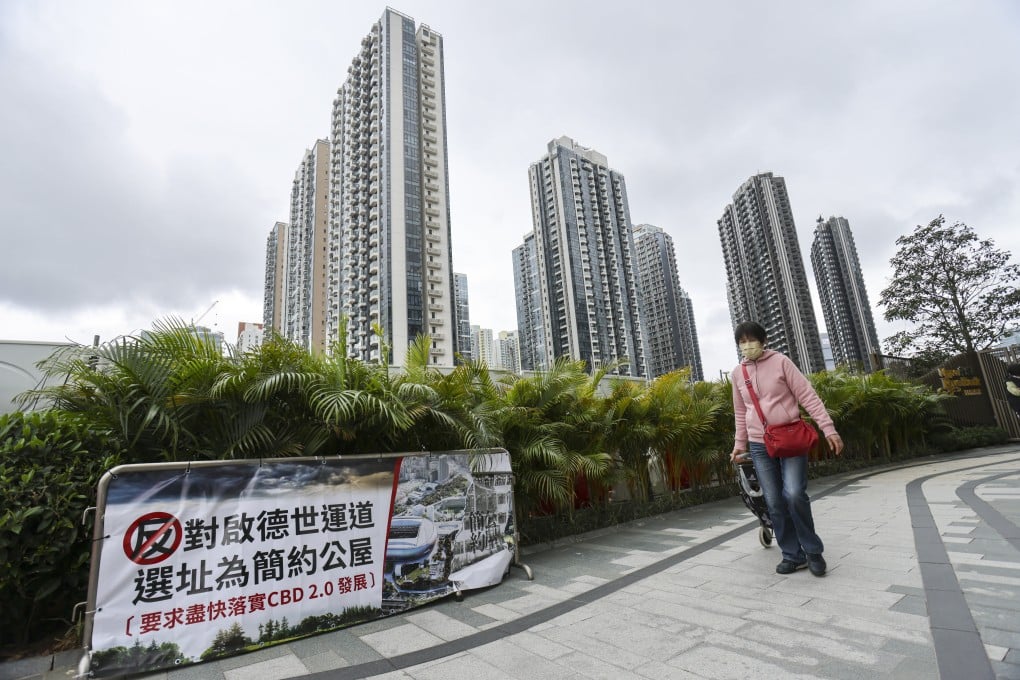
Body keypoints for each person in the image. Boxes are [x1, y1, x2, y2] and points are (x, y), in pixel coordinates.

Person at [728, 321, 844, 576]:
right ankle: (792, 554)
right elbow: (740, 411)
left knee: (793, 493)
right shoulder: (738, 373)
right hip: (759, 444)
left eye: (752, 340)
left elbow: (807, 395)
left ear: (763, 340)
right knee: (774, 501)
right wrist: (739, 444)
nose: (747, 345)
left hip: (790, 436)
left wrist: (829, 428)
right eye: (742, 341)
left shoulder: (781, 362)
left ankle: (813, 551)